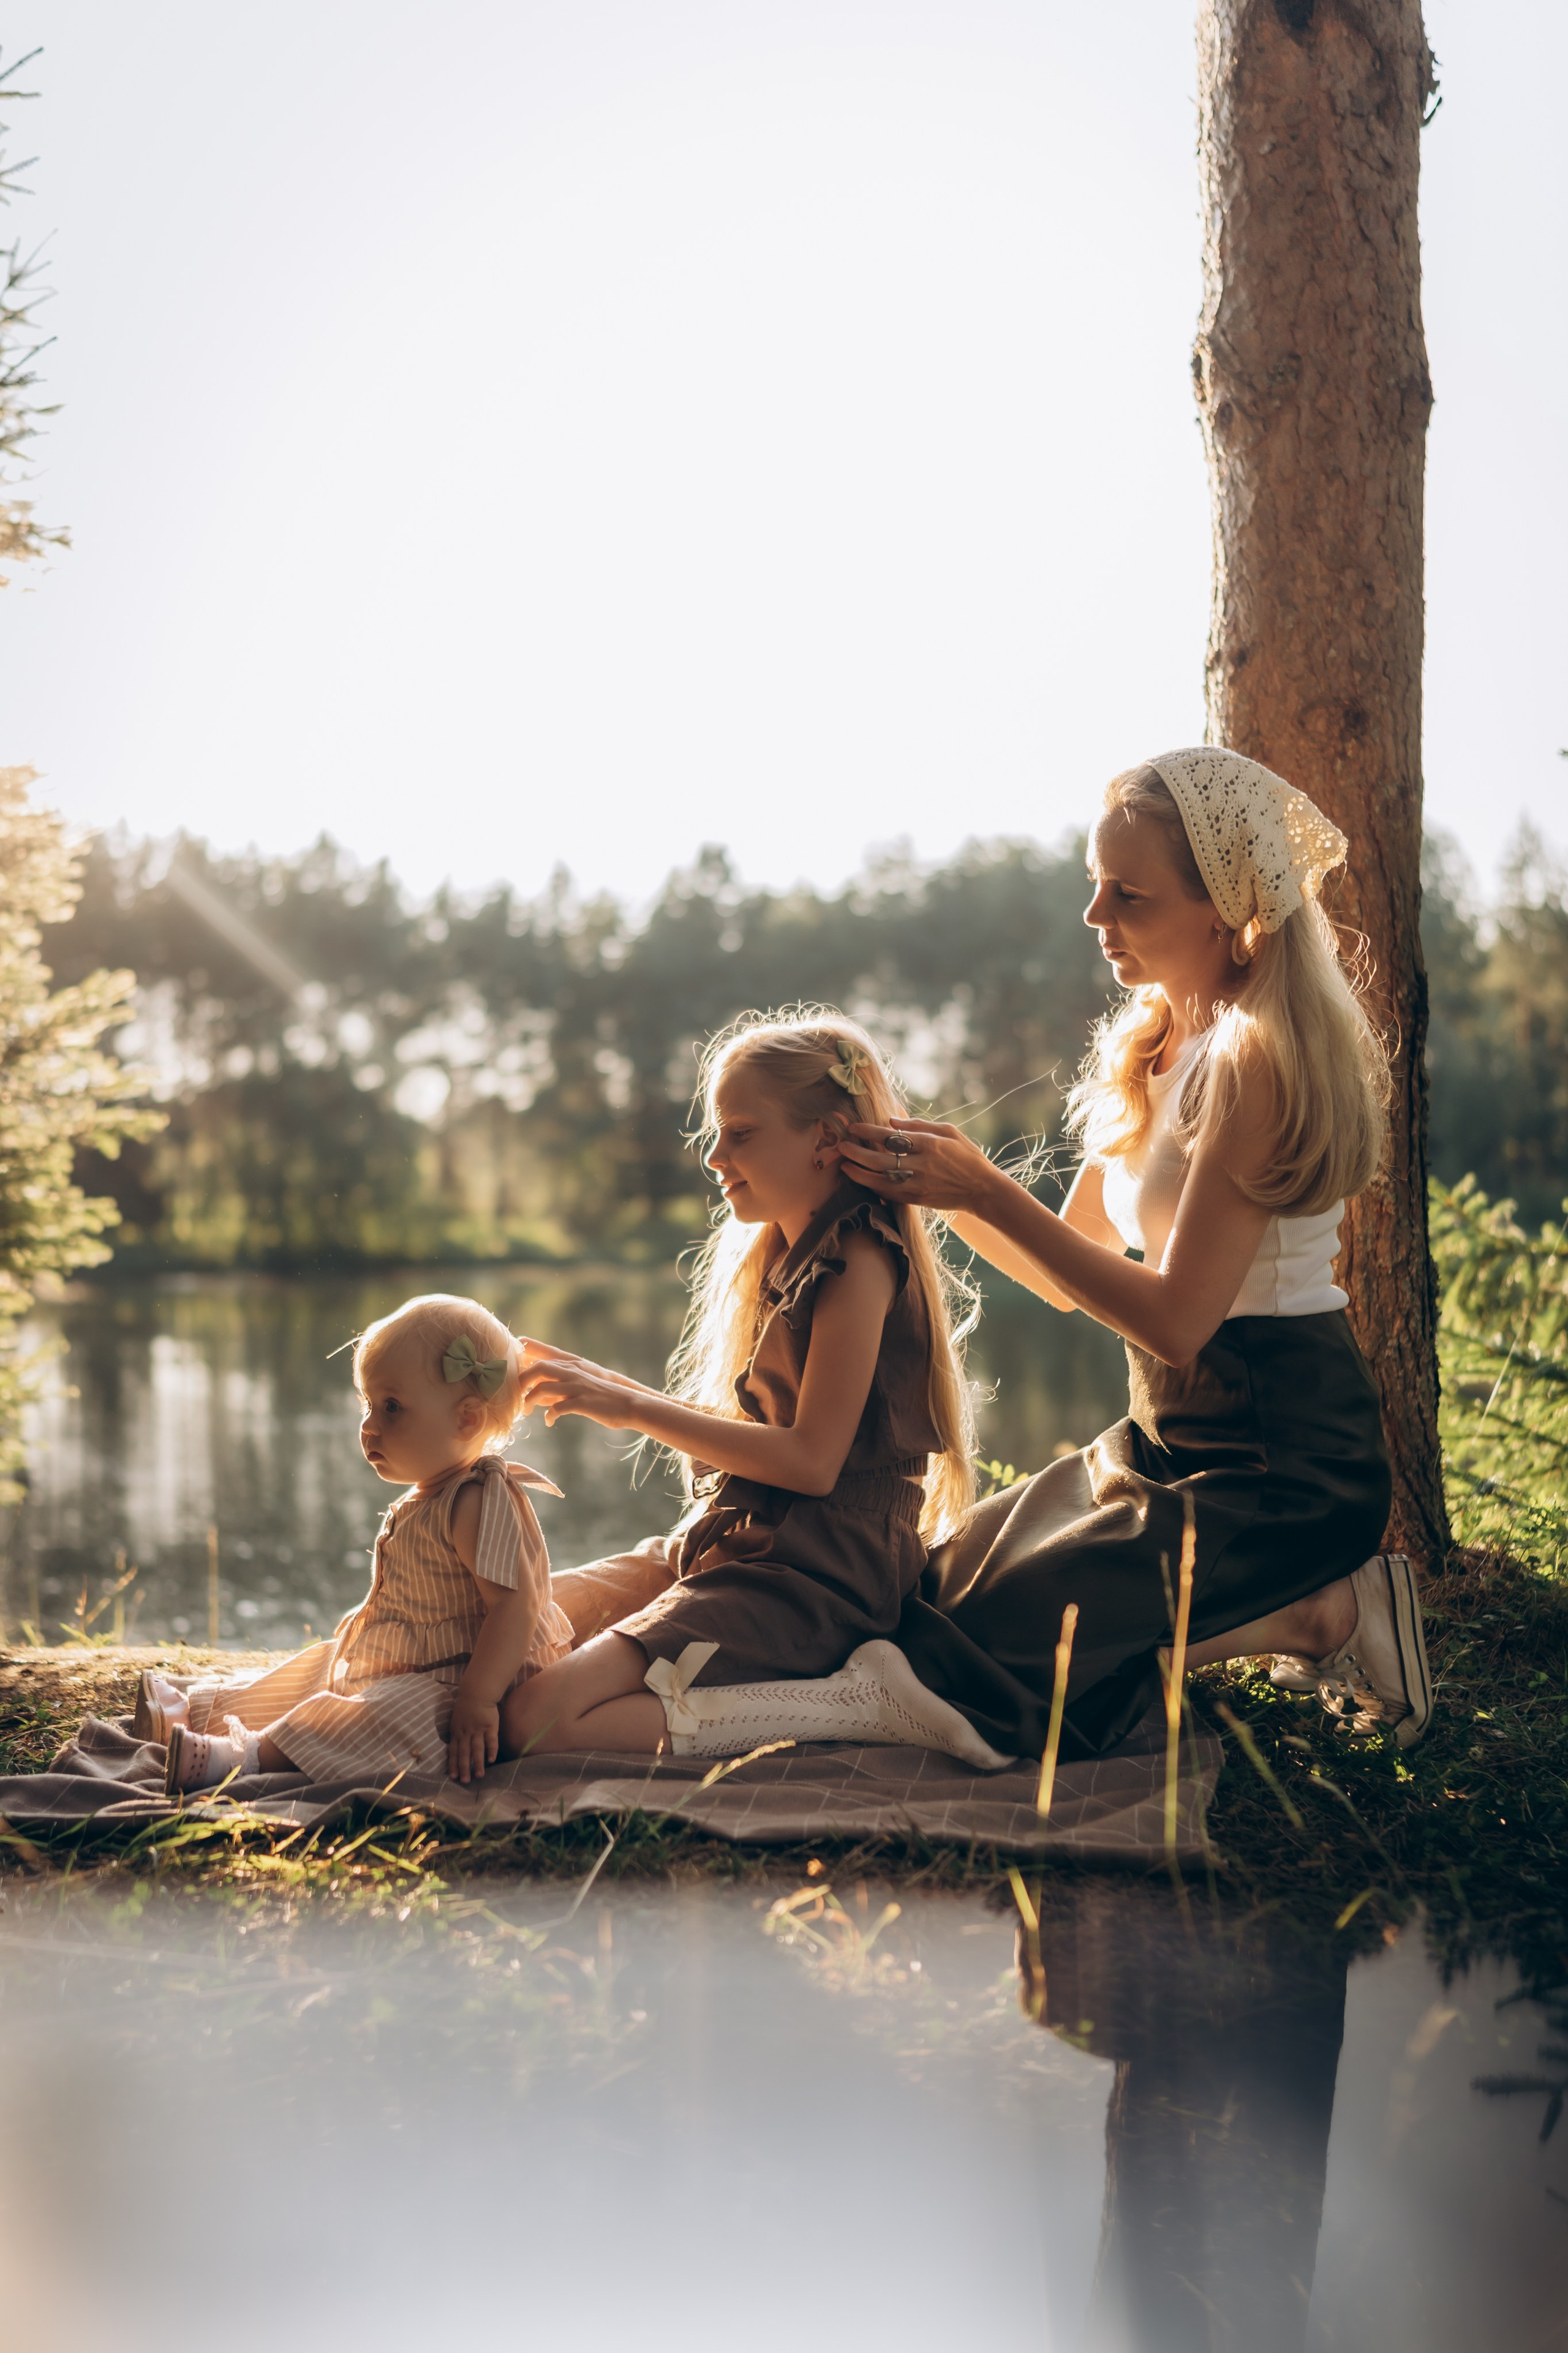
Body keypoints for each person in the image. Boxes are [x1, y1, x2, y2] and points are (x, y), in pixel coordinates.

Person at [613, 748, 1430, 1764]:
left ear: (1226, 907)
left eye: (1128, 894)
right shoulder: (1156, 1045)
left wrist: (984, 1189)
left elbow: (1177, 1319)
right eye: (1095, 883)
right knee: (942, 1588)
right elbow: (1067, 1266)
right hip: (1171, 1437)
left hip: (1284, 1460)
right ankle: (1316, 1618)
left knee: (989, 1647)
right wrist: (928, 1177)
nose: (1096, 915)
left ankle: (1326, 1613)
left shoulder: (1254, 1062)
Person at [501, 1011, 1007, 1764]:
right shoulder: (792, 1254)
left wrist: (630, 1403)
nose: (713, 1156)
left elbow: (811, 1462)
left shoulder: (860, 1256)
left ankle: (849, 1705)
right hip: (760, 1545)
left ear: (825, 1138)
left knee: (534, 1720)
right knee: (516, 1622)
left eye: (739, 1132)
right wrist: (609, 1385)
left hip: (825, 1574)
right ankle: (276, 1721)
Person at [137, 1294, 572, 1791]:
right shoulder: (436, 1490)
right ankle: (201, 1710)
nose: (369, 1426)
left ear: (467, 1419)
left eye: (392, 1407)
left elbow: (516, 1607)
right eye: (368, 1405)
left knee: (389, 1711)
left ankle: (246, 1757)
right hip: (418, 1664)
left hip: (475, 1682)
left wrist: (478, 1699)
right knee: (325, 1664)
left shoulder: (475, 1501)